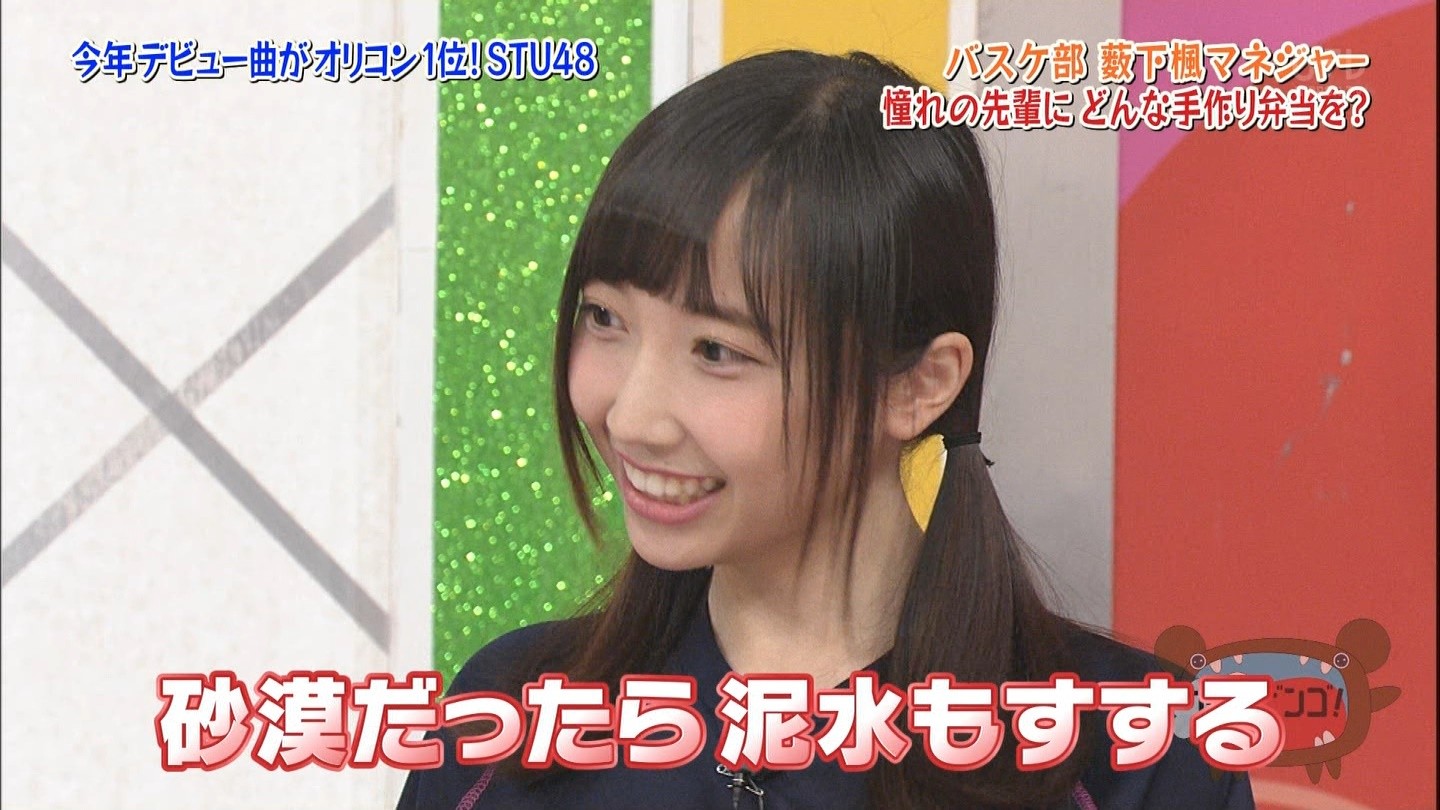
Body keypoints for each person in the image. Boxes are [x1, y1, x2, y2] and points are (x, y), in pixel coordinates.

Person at [399, 49, 1255, 809]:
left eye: (716, 351)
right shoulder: (507, 721)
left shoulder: (1141, 760)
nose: (631, 416)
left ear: (919, 385)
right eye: (605, 318)